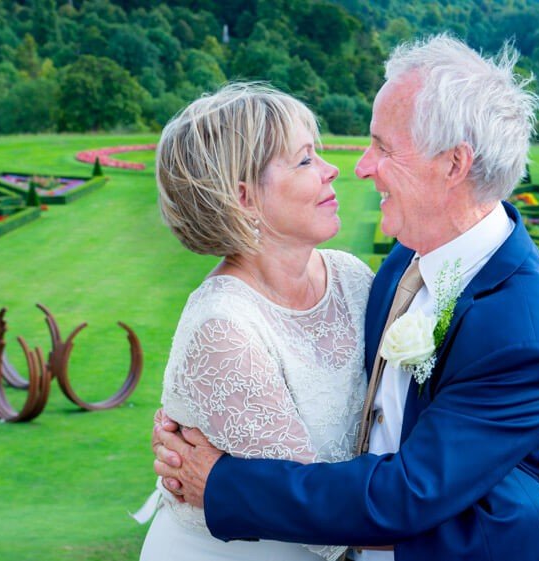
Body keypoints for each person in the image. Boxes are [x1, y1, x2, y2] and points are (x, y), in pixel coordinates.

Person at [154, 34, 539, 561]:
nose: (357, 166)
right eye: (306, 159)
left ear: (453, 165)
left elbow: (409, 493)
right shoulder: (398, 265)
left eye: (383, 147)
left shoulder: (528, 328)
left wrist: (219, 482)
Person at [139, 82, 374, 561]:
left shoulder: (352, 278)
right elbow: (317, 520)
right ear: (244, 197)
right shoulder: (223, 328)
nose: (332, 171)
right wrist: (487, 513)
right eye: (306, 160)